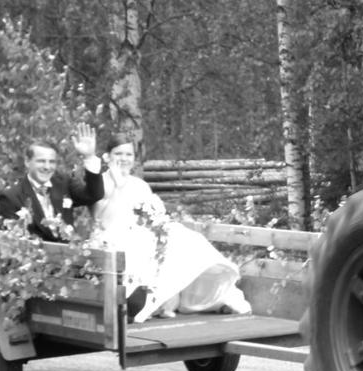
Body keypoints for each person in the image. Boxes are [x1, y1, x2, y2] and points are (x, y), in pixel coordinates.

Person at [91, 133, 252, 323]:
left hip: (141, 235)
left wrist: (159, 227)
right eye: (118, 154)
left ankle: (210, 297)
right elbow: (100, 215)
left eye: (128, 155)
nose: (124, 159)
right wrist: (118, 186)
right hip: (111, 238)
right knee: (141, 247)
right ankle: (154, 303)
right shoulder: (100, 183)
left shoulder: (140, 185)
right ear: (107, 157)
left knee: (187, 239)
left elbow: (153, 216)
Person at [0, 123, 104, 242]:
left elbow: (93, 195)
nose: (47, 167)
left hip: (68, 257)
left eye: (52, 162)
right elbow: (13, 242)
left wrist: (89, 156)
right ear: (27, 162)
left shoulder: (64, 183)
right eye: (41, 161)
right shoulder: (11, 197)